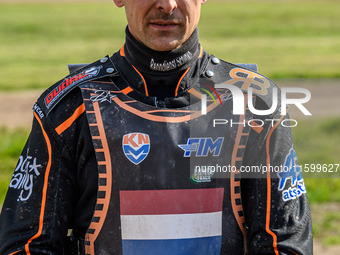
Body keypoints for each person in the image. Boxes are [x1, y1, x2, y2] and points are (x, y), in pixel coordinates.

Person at [0, 0, 313, 254]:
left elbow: (284, 244)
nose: (167, 4)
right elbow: (26, 245)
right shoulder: (70, 108)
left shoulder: (255, 104)